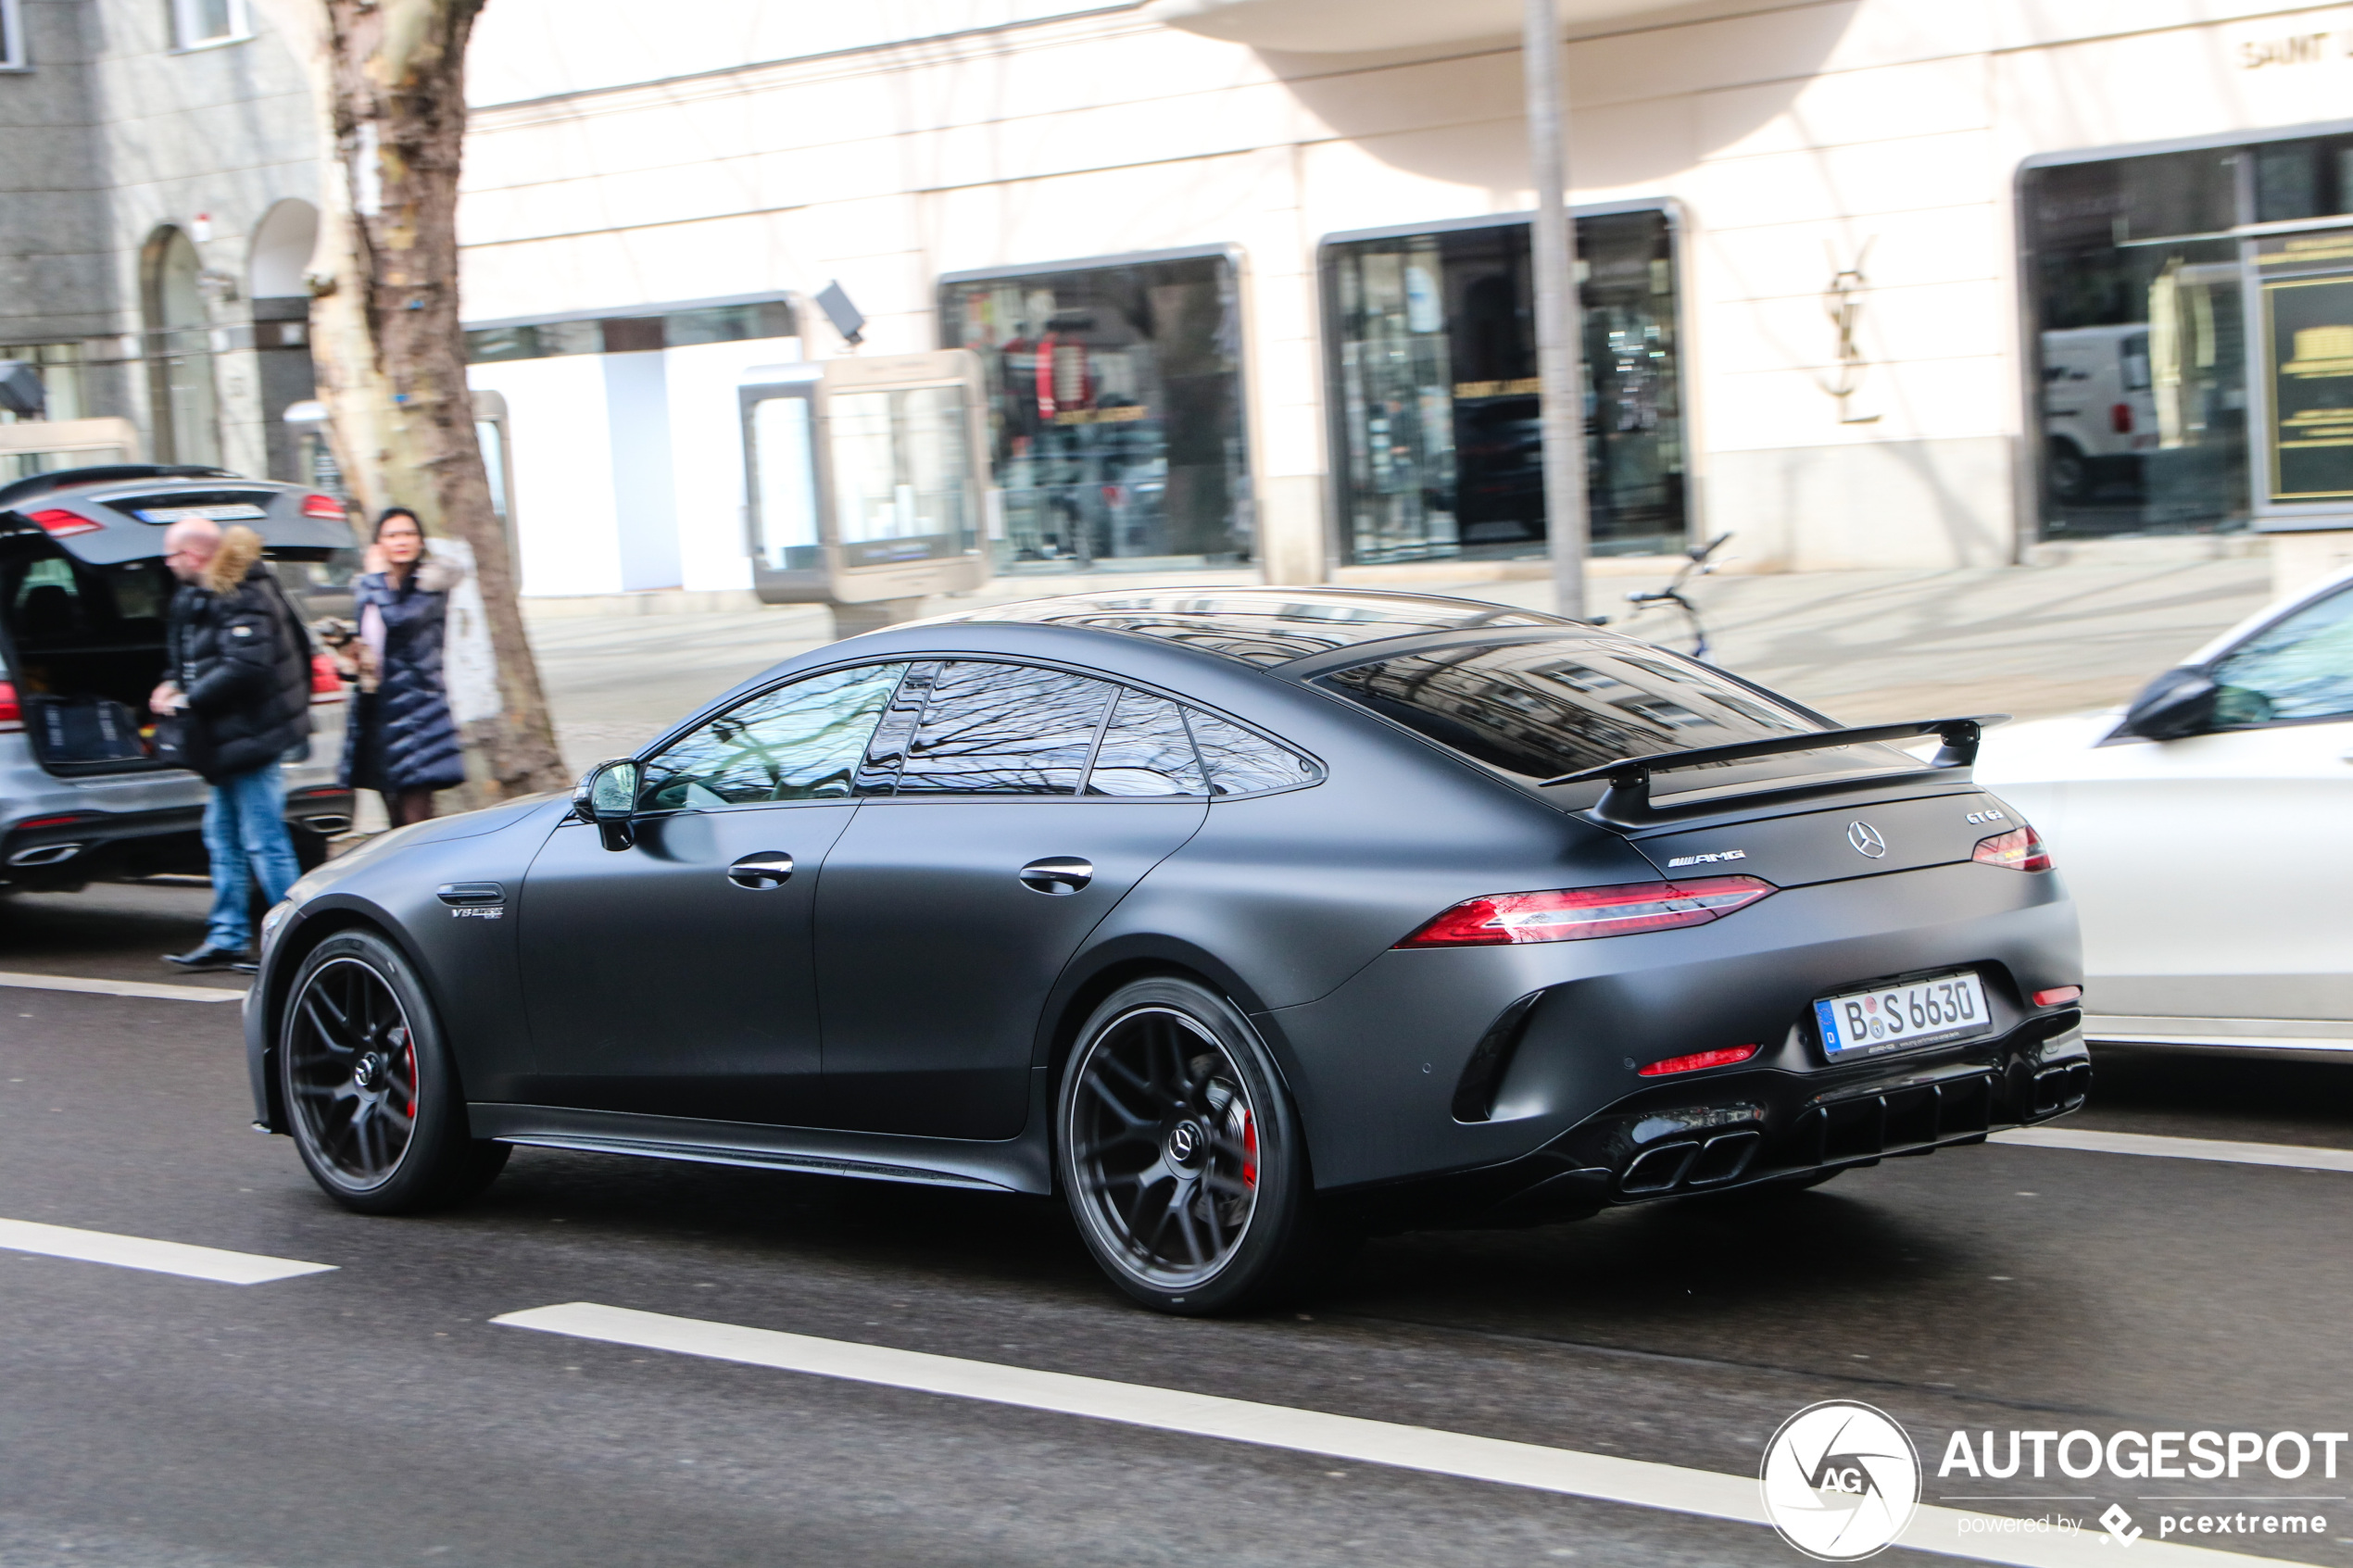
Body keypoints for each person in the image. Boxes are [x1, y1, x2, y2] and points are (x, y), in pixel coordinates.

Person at [150, 519, 311, 972]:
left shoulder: (243, 591)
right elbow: (191, 658)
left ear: (195, 555)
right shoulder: (200, 592)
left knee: (264, 841)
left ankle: (297, 938)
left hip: (252, 738)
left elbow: (247, 666)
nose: (167, 563)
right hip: (227, 739)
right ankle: (228, 937)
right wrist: (170, 682)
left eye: (172, 555)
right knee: (222, 838)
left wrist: (188, 699)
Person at [333, 507, 467, 827]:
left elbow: (400, 621)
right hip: (377, 711)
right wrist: (348, 657)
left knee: (415, 822)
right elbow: (373, 641)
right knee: (393, 822)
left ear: (420, 541)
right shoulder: (369, 588)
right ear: (379, 544)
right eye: (392, 535)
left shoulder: (431, 584)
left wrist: (378, 578)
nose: (402, 541)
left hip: (417, 713)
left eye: (409, 533)